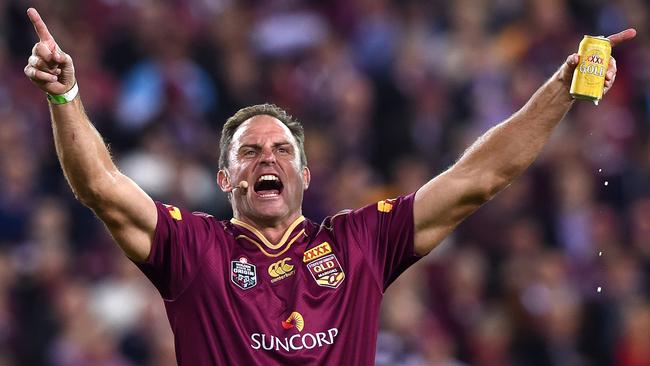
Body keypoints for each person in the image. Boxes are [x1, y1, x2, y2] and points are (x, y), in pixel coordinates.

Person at [23, 7, 636, 366]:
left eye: (283, 149)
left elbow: (480, 178)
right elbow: (101, 186)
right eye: (251, 151)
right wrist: (65, 95)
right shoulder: (194, 249)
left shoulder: (359, 244)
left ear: (305, 176)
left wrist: (561, 88)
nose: (269, 158)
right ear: (225, 178)